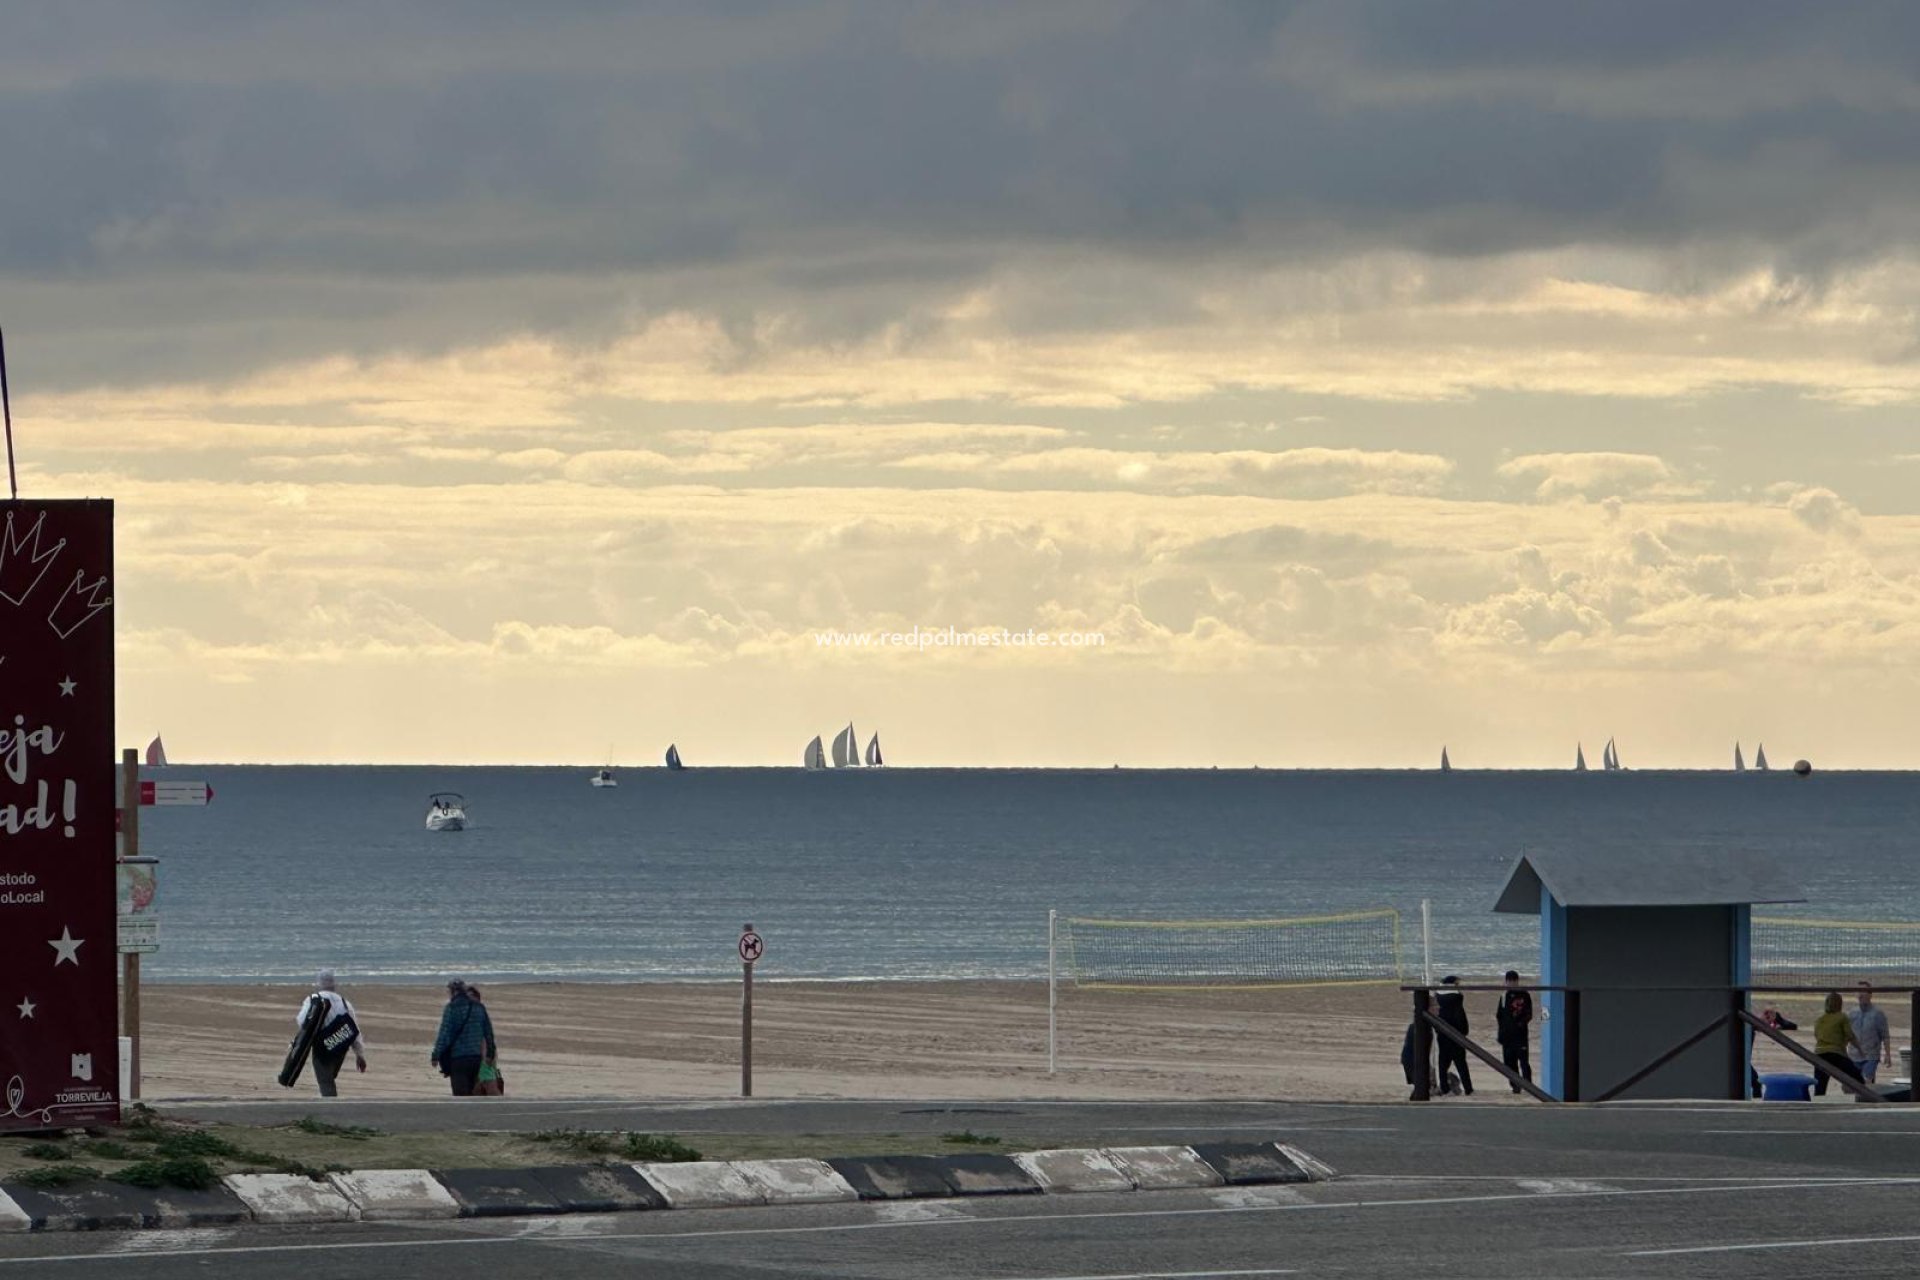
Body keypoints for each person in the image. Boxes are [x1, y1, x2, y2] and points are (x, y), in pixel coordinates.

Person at [295, 969, 367, 1098]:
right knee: (328, 1078)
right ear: (334, 984)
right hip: (339, 1046)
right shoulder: (345, 1003)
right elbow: (354, 1030)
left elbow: (302, 1021)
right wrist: (359, 1055)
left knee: (325, 1081)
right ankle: (326, 1098)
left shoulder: (313, 1000)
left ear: (318, 983)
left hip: (322, 1048)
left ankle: (330, 1106)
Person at [430, 978, 497, 1096]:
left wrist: (436, 1055)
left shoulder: (451, 1008)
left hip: (458, 1058)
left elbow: (444, 1034)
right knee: (473, 1094)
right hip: (476, 1057)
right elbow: (488, 1032)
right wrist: (490, 1053)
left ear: (453, 991)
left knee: (460, 1096)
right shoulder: (479, 1007)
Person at [1813, 990, 1863, 1097]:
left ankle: (1817, 1103)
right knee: (1857, 1076)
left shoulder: (1820, 1019)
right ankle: (1865, 1096)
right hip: (1835, 1054)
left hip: (1819, 1054)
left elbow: (1817, 1035)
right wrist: (1860, 1049)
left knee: (1820, 1087)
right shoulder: (1841, 1017)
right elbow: (1850, 1035)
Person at [1494, 970, 1534, 1093]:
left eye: (1513, 981)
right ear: (1506, 982)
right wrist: (1501, 1032)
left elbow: (1529, 1014)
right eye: (1509, 981)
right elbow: (1499, 1015)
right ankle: (1515, 1086)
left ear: (1517, 981)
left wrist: (1520, 1024)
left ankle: (1528, 1085)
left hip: (1520, 1035)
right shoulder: (1504, 996)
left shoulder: (1524, 995)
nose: (1511, 983)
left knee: (1524, 1062)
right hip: (1507, 1036)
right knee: (1509, 1063)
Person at [1434, 975, 1473, 1096]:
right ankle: (1468, 1088)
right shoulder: (1457, 999)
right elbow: (1460, 1016)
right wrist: (1464, 1031)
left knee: (1443, 1062)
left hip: (1442, 1033)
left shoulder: (1438, 998)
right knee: (1461, 1063)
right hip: (1456, 1034)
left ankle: (1444, 1087)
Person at [1849, 982, 1894, 1084]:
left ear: (1870, 995)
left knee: (1866, 1082)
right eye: (1858, 991)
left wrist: (1887, 1054)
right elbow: (1847, 1034)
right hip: (1854, 1056)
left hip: (1871, 1056)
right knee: (1852, 1084)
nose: (1860, 994)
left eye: (1863, 991)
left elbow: (1885, 1035)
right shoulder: (1852, 1013)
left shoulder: (1877, 1014)